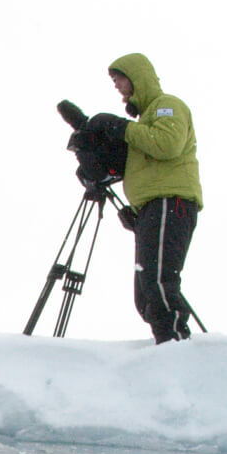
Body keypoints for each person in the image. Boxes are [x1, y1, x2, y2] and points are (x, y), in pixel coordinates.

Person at [74, 54, 202, 343]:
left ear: (137, 77)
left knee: (157, 283)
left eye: (119, 78)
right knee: (145, 295)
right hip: (155, 207)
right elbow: (137, 166)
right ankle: (172, 342)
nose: (117, 85)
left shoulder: (167, 106)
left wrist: (122, 127)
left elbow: (167, 145)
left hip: (171, 202)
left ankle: (177, 347)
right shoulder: (145, 121)